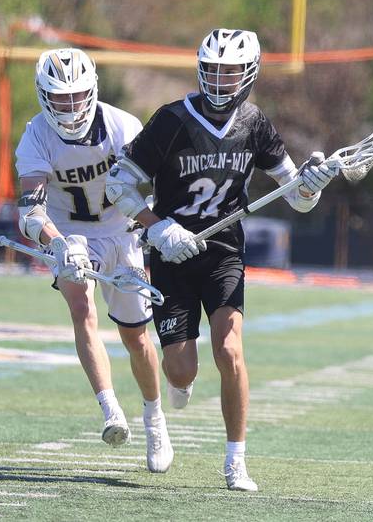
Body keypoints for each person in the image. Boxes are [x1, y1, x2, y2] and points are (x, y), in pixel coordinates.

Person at [105, 28, 337, 491]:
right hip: (172, 253)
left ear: (248, 74)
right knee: (181, 370)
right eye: (212, 69)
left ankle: (236, 462)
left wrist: (314, 181)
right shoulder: (171, 121)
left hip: (223, 251)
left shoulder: (255, 124)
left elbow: (299, 198)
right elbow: (117, 185)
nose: (219, 79)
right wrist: (158, 225)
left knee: (230, 350)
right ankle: (179, 380)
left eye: (229, 71)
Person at [14, 48, 173, 473]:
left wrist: (152, 226)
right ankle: (110, 411)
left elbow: (147, 186)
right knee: (81, 309)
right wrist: (56, 241)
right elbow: (30, 210)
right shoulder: (35, 136)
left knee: (137, 337)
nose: (69, 106)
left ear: (93, 89)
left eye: (76, 95)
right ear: (44, 96)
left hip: (121, 229)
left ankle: (154, 417)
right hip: (71, 233)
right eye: (59, 98)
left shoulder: (122, 125)